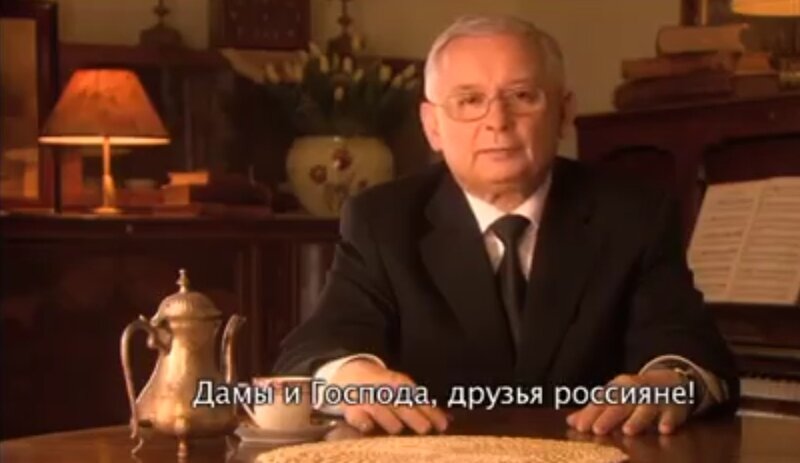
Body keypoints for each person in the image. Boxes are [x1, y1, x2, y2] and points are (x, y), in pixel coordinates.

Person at [273, 15, 738, 437]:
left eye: (522, 97)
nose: (497, 122)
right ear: (432, 125)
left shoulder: (634, 215)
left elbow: (692, 351)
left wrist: (668, 382)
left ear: (564, 111)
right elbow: (314, 350)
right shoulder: (382, 220)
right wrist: (351, 376)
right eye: (469, 100)